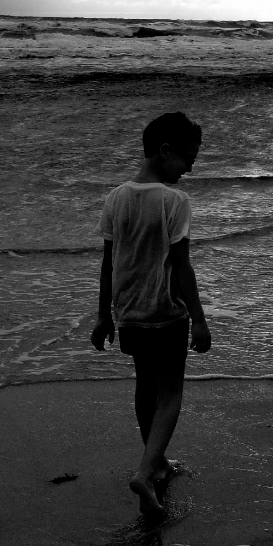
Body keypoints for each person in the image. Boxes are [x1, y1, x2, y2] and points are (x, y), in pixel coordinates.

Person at [91, 111, 211, 516]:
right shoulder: (174, 200)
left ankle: (155, 461)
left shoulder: (115, 197)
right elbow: (181, 266)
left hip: (128, 311)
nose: (190, 167)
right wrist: (198, 317)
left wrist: (103, 315)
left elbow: (108, 264)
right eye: (187, 158)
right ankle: (145, 472)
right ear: (164, 151)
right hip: (167, 310)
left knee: (145, 386)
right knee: (171, 392)